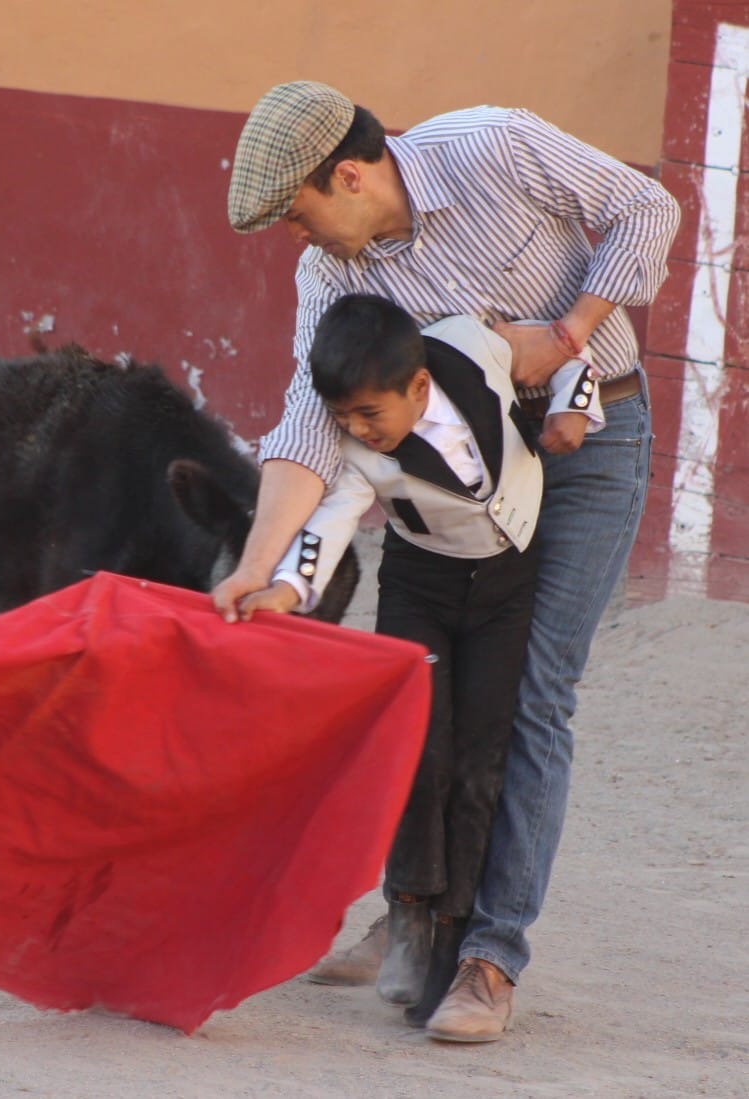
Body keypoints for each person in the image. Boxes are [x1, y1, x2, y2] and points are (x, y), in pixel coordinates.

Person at [214, 81, 680, 1042]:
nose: (300, 241)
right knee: (431, 697)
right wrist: (258, 563)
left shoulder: (490, 146)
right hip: (456, 504)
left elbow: (647, 206)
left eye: (300, 214)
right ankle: (417, 910)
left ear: (348, 174)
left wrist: (566, 334)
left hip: (586, 440)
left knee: (536, 693)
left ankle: (490, 955)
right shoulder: (330, 279)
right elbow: (309, 426)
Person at [240, 292, 604, 1027]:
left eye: (368, 414)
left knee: (478, 765)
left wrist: (574, 406)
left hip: (507, 589)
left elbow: (566, 350)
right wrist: (286, 586)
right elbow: (329, 523)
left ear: (415, 386)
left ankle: (450, 939)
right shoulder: (354, 453)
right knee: (419, 752)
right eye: (342, 418)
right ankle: (407, 907)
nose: (356, 431)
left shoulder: (473, 344)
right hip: (420, 591)